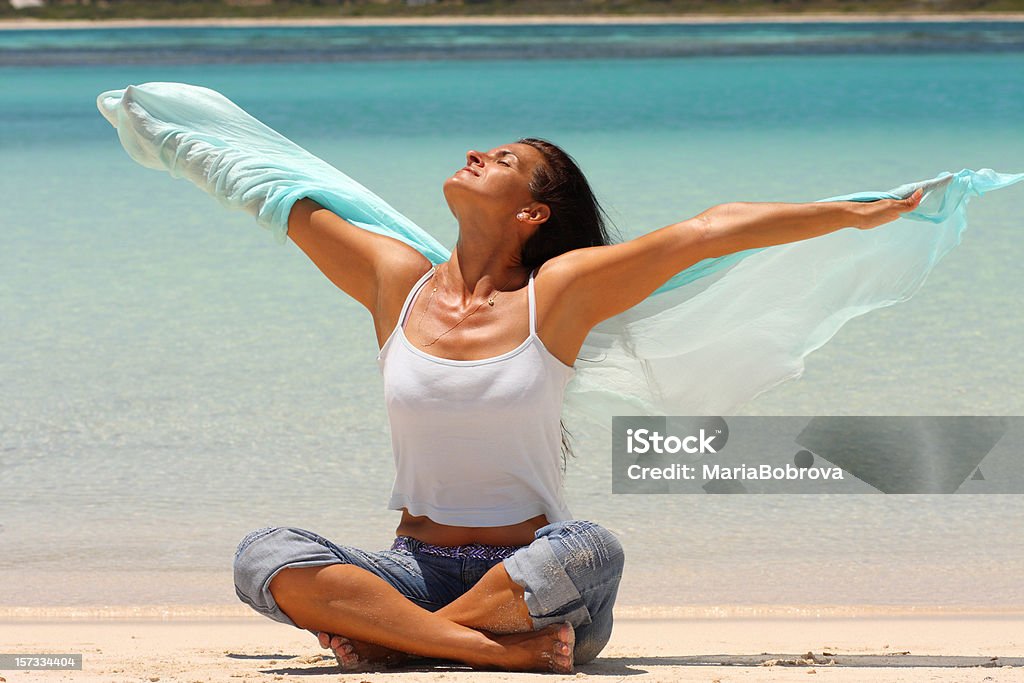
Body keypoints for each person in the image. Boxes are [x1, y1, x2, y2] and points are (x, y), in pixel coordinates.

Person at [232, 138, 924, 674]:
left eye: (503, 160)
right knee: (265, 555)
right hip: (417, 570)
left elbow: (711, 230)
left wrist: (859, 212)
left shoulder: (556, 291)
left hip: (535, 577)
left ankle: (406, 641)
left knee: (592, 545)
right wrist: (178, 132)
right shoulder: (399, 284)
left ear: (532, 214)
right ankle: (493, 651)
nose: (475, 155)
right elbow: (285, 196)